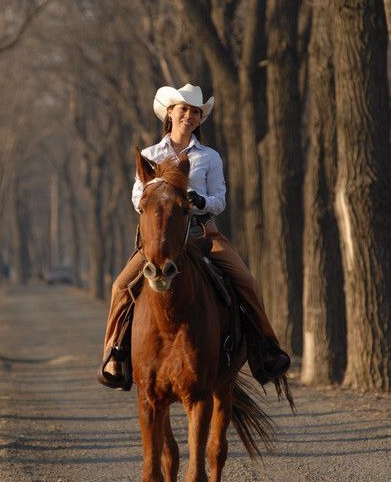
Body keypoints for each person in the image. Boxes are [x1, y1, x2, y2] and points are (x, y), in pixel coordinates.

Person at [98, 84, 290, 390]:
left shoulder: (210, 158)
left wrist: (199, 200)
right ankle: (113, 354)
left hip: (202, 233)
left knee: (246, 281)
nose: (189, 115)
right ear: (170, 113)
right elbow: (138, 197)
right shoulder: (149, 155)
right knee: (120, 285)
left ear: (200, 119)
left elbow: (220, 199)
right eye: (184, 110)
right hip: (160, 238)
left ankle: (266, 349)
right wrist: (161, 194)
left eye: (196, 112)